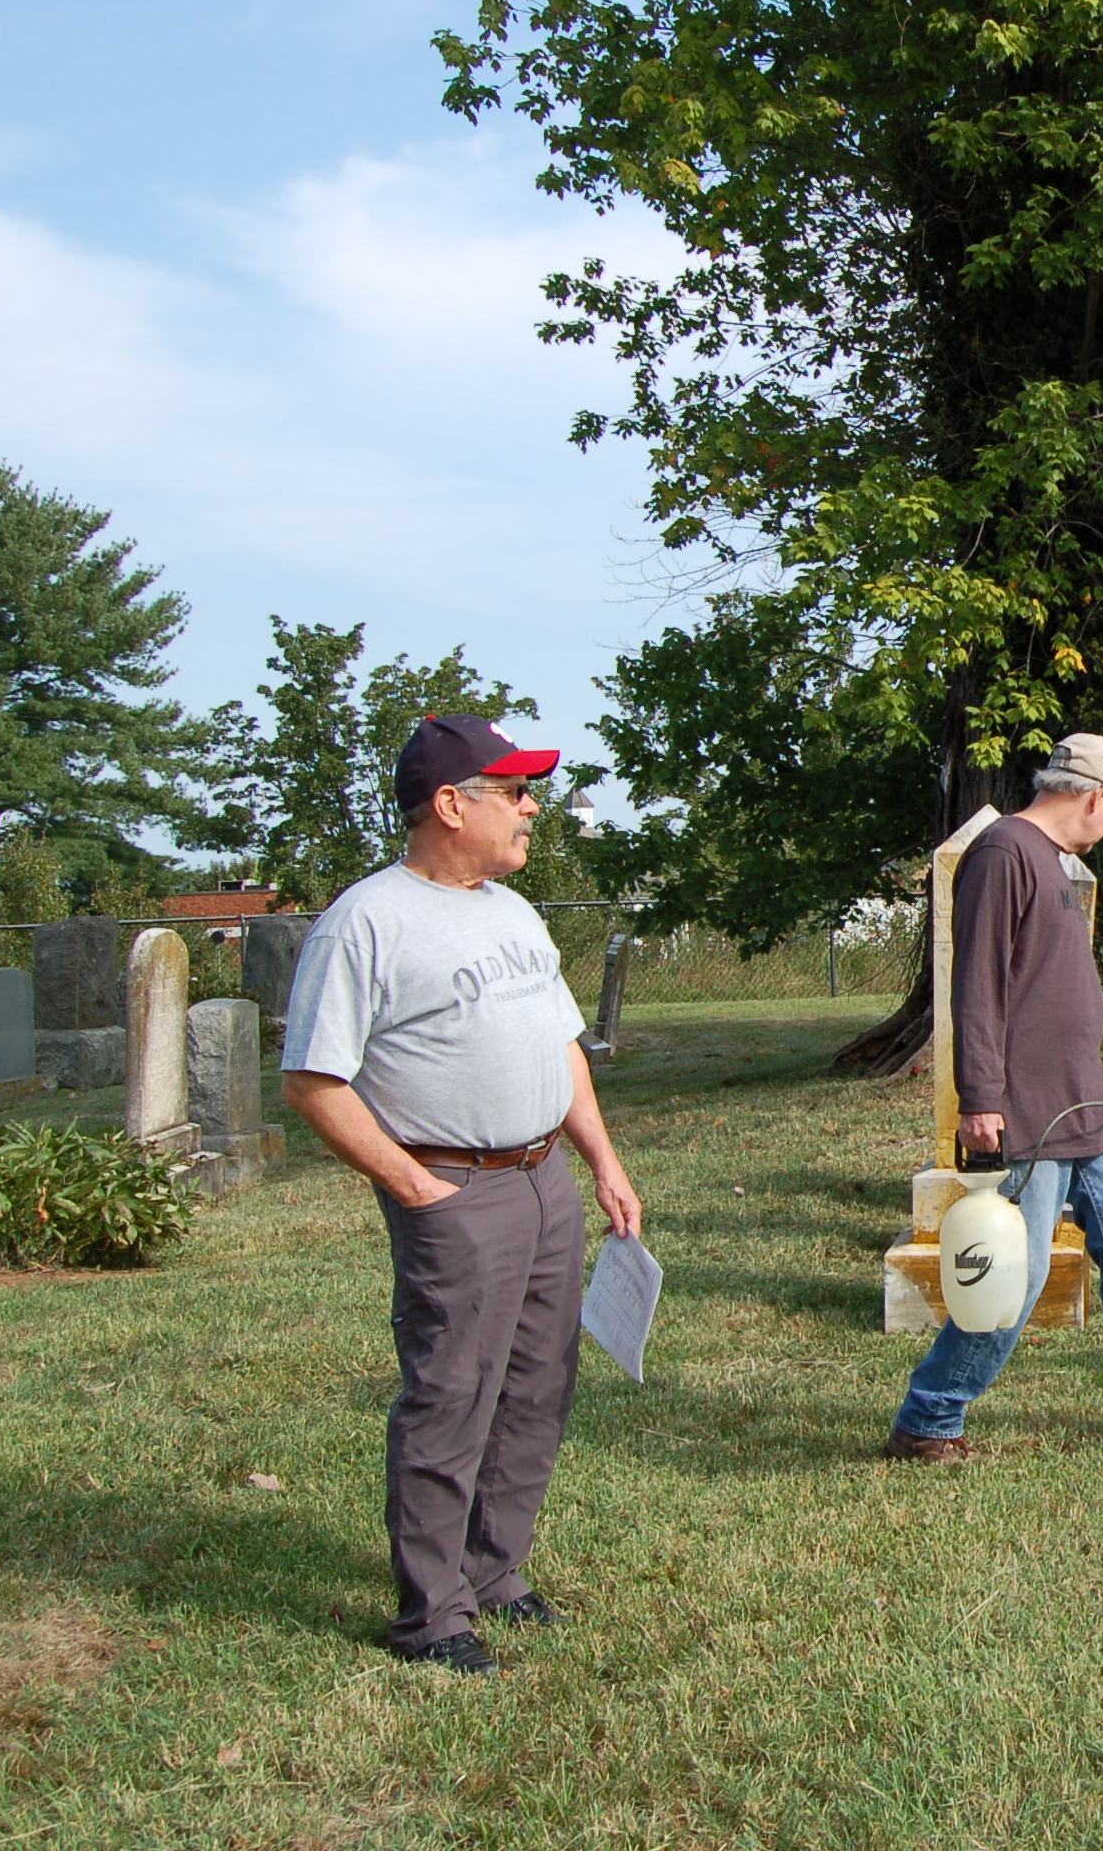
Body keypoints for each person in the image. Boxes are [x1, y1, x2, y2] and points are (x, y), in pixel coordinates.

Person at [281, 715, 644, 1676]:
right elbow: (313, 1081)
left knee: (537, 1386)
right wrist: (414, 1184)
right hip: (457, 1190)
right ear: (450, 804)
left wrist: (601, 1162)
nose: (532, 810)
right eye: (515, 792)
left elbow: (563, 1046)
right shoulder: (366, 921)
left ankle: (494, 1571)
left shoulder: (512, 913)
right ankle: (431, 1615)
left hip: (544, 1181)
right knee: (452, 1395)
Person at [885, 733, 1103, 1463]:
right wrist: (981, 1097)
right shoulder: (1004, 853)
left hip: (1087, 1102)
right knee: (1015, 1274)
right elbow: (976, 983)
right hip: (1030, 1108)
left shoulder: (1052, 861)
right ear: (1100, 797)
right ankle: (929, 1418)